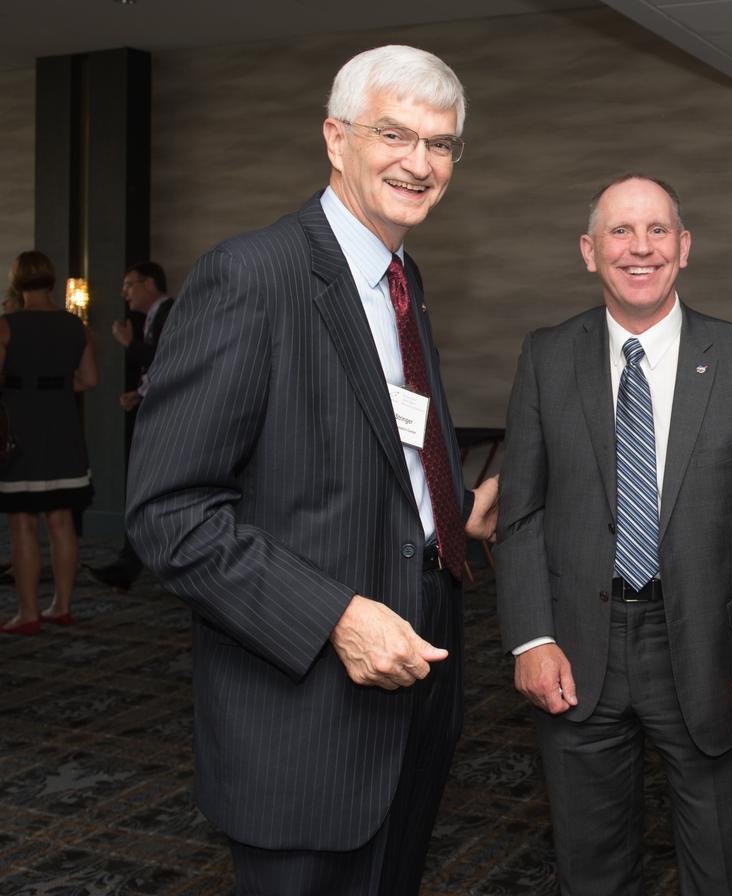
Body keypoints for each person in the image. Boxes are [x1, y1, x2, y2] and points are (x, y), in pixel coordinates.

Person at [126, 45, 497, 893]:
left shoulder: (404, 279)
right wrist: (333, 617)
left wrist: (455, 506)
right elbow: (168, 514)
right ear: (336, 139)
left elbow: (370, 453)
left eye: (441, 145)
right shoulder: (249, 277)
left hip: (416, 685)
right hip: (304, 714)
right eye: (395, 135)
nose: (420, 162)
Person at [495, 173, 732, 895]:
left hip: (702, 648)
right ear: (589, 251)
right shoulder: (545, 356)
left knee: (723, 866)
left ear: (684, 247)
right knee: (590, 866)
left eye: (657, 230)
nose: (640, 248)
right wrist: (531, 639)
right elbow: (522, 514)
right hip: (575, 649)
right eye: (621, 232)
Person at [0, 251, 97, 634]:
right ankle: (62, 605)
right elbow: (89, 380)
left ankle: (27, 613)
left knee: (23, 523)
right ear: (51, 281)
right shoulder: (77, 325)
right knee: (61, 523)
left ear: (17, 281)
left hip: (20, 428)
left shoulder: (6, 326)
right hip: (62, 428)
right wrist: (55, 390)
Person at [88, 261, 173, 591]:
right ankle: (129, 564)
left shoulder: (170, 312)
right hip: (153, 411)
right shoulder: (153, 317)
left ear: (149, 283)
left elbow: (170, 360)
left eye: (129, 284)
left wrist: (128, 344)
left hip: (166, 420)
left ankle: (131, 564)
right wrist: (139, 395)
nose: (124, 293)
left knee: (148, 489)